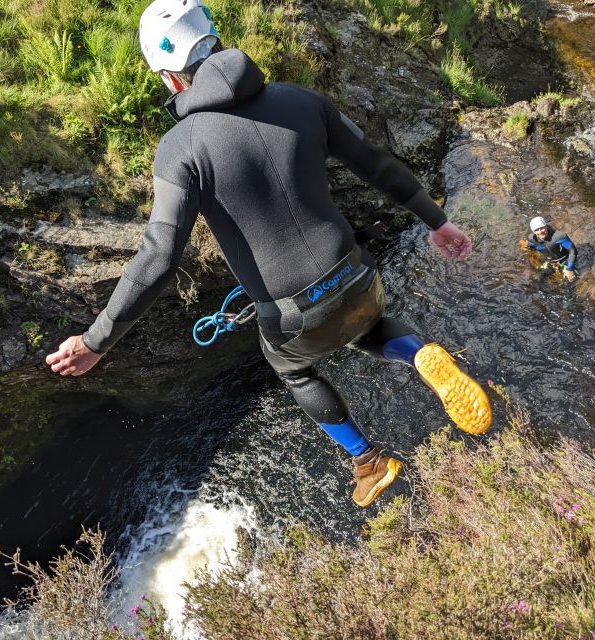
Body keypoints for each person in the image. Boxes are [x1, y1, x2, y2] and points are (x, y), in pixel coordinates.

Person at [46, 0, 492, 508]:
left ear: (170, 78)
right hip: (357, 274)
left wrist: (96, 341)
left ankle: (368, 461)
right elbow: (377, 165)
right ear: (215, 40)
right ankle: (419, 353)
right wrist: (438, 222)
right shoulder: (302, 100)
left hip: (293, 314)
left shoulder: (180, 147)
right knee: (363, 326)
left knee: (294, 368)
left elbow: (158, 256)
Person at [520, 216, 578, 282]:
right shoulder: (532, 239)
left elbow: (572, 251)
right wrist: (524, 248)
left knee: (571, 280)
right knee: (536, 279)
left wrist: (569, 269)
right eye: (536, 230)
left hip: (566, 260)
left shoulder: (559, 236)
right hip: (550, 262)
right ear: (533, 231)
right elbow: (527, 245)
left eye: (542, 228)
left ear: (546, 226)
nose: (540, 232)